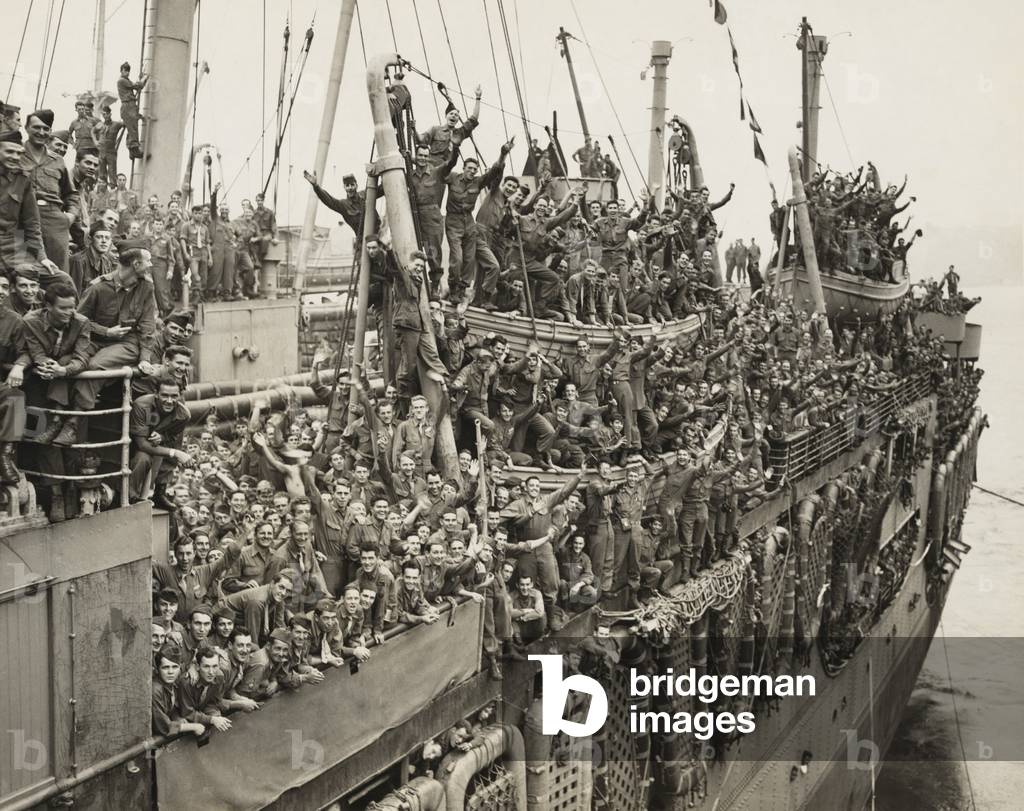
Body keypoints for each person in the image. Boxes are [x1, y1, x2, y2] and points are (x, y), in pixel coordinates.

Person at [21, 109, 79, 272]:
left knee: (58, 273)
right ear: (26, 128)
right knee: (23, 271)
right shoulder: (15, 155)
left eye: (46, 129)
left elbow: (71, 194)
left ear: (50, 131)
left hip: (54, 220)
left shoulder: (58, 160)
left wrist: (69, 216)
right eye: (36, 127)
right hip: (22, 218)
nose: (41, 132)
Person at [129, 374, 191, 501]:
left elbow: (172, 438)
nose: (169, 400)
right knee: (143, 458)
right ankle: (130, 497)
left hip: (157, 449)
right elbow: (141, 444)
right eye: (164, 395)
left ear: (179, 396)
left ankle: (159, 493)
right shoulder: (141, 405)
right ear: (156, 393)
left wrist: (162, 437)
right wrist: (176, 453)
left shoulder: (183, 415)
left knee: (160, 457)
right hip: (133, 445)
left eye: (174, 396)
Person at [0, 275, 27, 484]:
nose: (1, 291)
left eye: (4, 287)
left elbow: (25, 352)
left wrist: (18, 366)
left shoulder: (14, 320)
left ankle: (6, 456)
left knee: (16, 398)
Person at [117, 62, 149, 159]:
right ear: (121, 70)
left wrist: (142, 79)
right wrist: (145, 78)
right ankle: (135, 150)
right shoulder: (122, 80)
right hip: (128, 105)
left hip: (130, 106)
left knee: (131, 129)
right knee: (133, 129)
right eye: (125, 70)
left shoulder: (126, 80)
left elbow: (137, 85)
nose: (127, 73)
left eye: (128, 71)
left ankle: (132, 151)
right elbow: (138, 86)